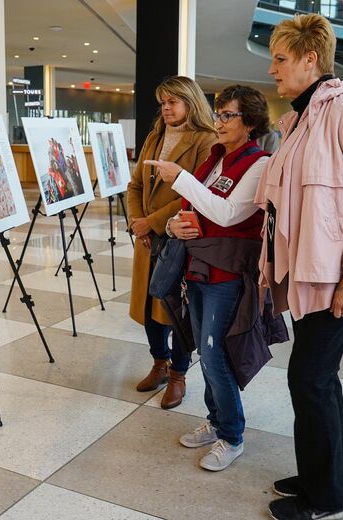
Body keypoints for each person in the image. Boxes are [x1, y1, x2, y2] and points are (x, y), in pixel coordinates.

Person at [256, 14, 343, 520]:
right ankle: (322, 475)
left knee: (310, 380)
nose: (272, 68)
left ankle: (329, 497)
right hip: (307, 272)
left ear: (310, 58)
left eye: (280, 58)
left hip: (336, 275)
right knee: (318, 379)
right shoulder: (299, 118)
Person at [145, 85, 279, 471]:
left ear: (249, 122)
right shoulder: (215, 159)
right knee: (206, 352)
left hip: (227, 274)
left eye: (227, 115)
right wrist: (172, 224)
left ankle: (232, 435)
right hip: (198, 268)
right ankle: (217, 421)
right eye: (218, 114)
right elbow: (193, 209)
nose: (218, 122)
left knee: (216, 354)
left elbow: (227, 213)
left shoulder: (259, 164)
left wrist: (180, 177)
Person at [127, 75, 217, 409]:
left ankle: (178, 375)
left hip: (180, 238)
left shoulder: (206, 140)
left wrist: (150, 223)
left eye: (172, 101)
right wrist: (139, 224)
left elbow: (195, 194)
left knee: (177, 310)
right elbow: (135, 185)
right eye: (162, 102)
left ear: (190, 102)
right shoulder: (155, 135)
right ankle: (158, 363)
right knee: (150, 307)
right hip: (148, 240)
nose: (165, 108)